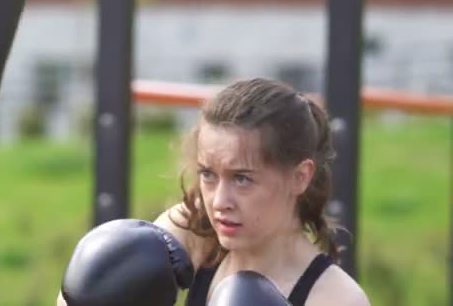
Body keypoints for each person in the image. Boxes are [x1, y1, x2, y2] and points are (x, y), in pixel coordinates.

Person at [58, 78, 371, 306]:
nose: (219, 202)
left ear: (300, 177)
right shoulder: (196, 232)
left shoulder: (335, 299)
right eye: (208, 174)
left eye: (242, 179)